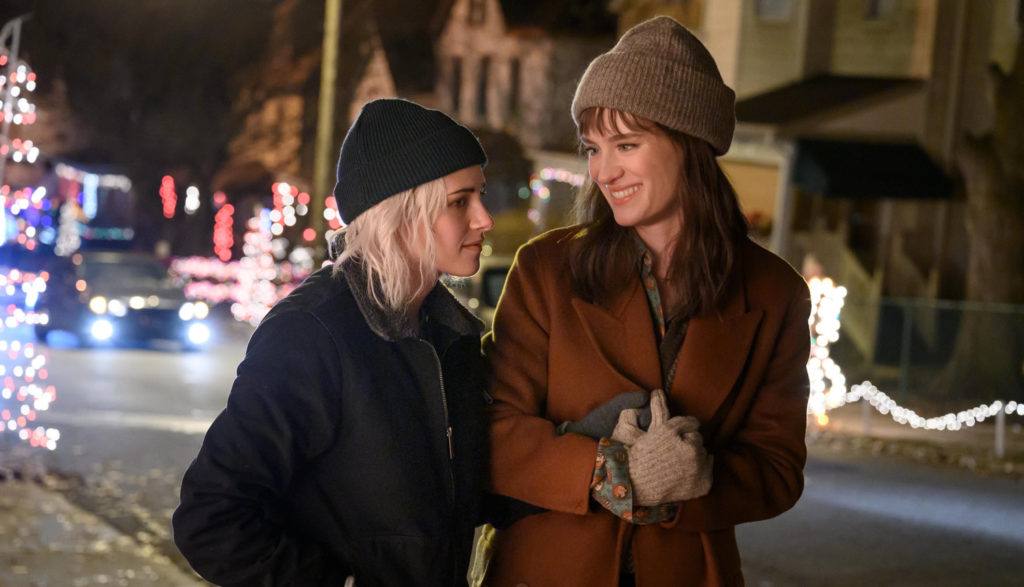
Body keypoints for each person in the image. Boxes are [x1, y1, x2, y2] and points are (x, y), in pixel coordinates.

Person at [484, 17, 811, 587]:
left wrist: (694, 479)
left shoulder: (775, 293)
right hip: (547, 569)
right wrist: (610, 470)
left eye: (627, 145)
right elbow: (495, 429)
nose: (604, 171)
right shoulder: (545, 270)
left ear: (689, 146)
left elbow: (778, 469)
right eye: (593, 148)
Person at [173, 98, 494, 586]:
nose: (484, 218)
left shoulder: (448, 336)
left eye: (481, 196)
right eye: (459, 201)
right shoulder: (312, 332)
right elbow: (211, 518)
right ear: (403, 210)